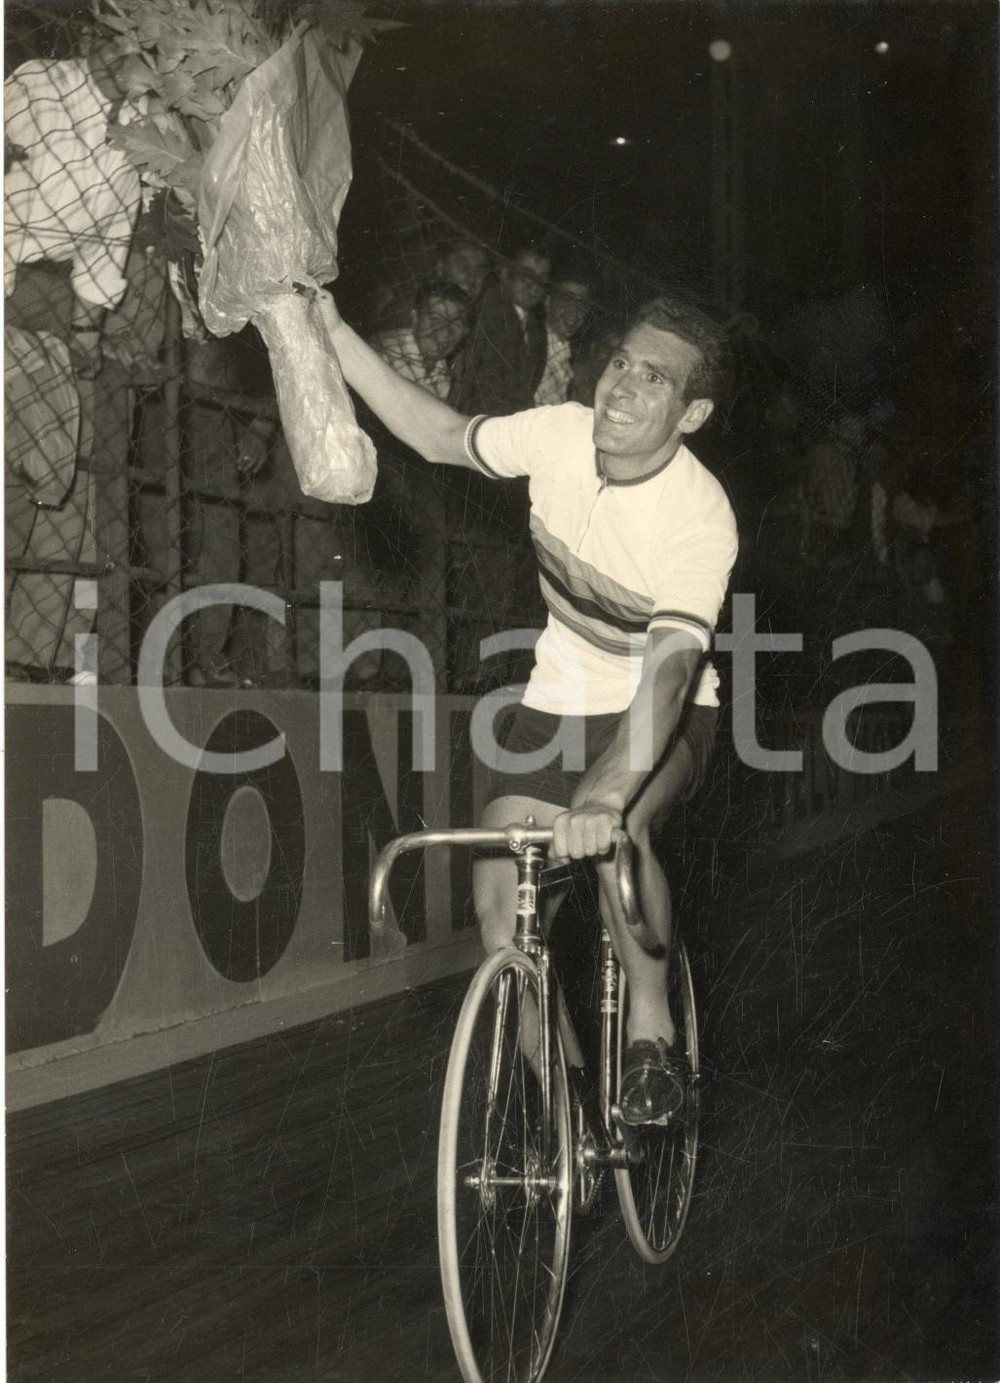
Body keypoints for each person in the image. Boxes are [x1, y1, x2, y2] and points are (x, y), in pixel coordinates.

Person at [316, 288, 737, 1126]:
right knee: (499, 912)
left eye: (652, 380)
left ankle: (653, 1037)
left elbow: (667, 673)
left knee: (617, 833)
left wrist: (608, 793)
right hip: (561, 692)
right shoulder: (558, 434)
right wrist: (331, 330)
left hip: (669, 704)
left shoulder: (700, 516)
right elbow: (438, 433)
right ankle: (564, 1110)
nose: (619, 387)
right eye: (620, 362)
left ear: (691, 414)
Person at [455, 241, 551, 415]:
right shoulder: (485, 312)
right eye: (526, 274)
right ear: (506, 273)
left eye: (542, 277)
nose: (534, 284)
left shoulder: (536, 326)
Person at [368, 280, 472, 399]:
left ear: (465, 332)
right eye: (436, 318)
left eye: (456, 324)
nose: (445, 331)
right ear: (415, 317)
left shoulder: (442, 371)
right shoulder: (383, 354)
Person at [534, 273, 592, 406]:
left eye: (581, 304)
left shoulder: (568, 355)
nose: (573, 311)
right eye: (566, 300)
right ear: (548, 302)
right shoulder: (531, 343)